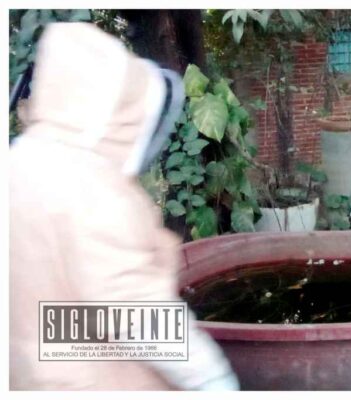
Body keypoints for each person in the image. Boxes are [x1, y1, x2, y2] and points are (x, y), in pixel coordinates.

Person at [9, 23, 238, 390]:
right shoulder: (88, 187)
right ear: (112, 110)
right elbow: (136, 310)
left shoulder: (18, 164)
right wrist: (212, 379)